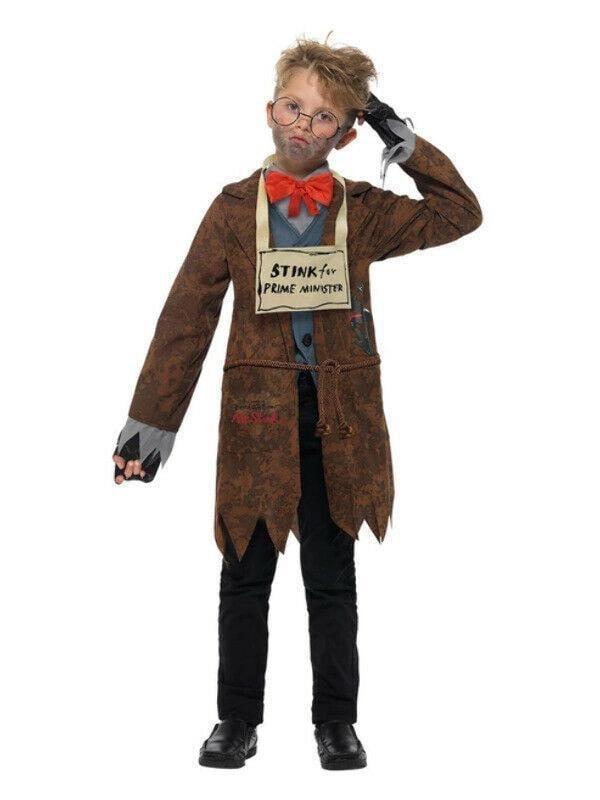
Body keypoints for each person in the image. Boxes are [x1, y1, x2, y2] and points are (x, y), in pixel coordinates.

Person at [113, 33, 482, 770]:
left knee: (332, 577)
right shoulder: (231, 210)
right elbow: (187, 317)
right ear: (269, 109)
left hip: (342, 419)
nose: (303, 125)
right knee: (245, 572)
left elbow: (458, 211)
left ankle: (336, 722)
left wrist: (397, 132)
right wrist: (148, 430)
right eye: (293, 107)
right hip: (257, 418)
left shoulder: (363, 211)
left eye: (324, 117)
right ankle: (236, 720)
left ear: (345, 134)